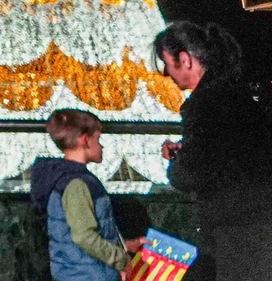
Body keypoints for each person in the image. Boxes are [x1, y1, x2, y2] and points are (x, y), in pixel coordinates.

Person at [154, 20, 272, 281]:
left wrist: (176, 159)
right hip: (259, 218)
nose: (166, 74)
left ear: (184, 59)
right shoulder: (235, 94)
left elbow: (190, 174)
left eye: (167, 64)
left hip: (237, 228)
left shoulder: (204, 106)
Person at [29, 109, 142, 280]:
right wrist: (121, 260)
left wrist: (123, 247)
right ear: (85, 140)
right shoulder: (77, 183)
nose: (101, 146)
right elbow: (84, 236)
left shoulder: (67, 179)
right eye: (98, 139)